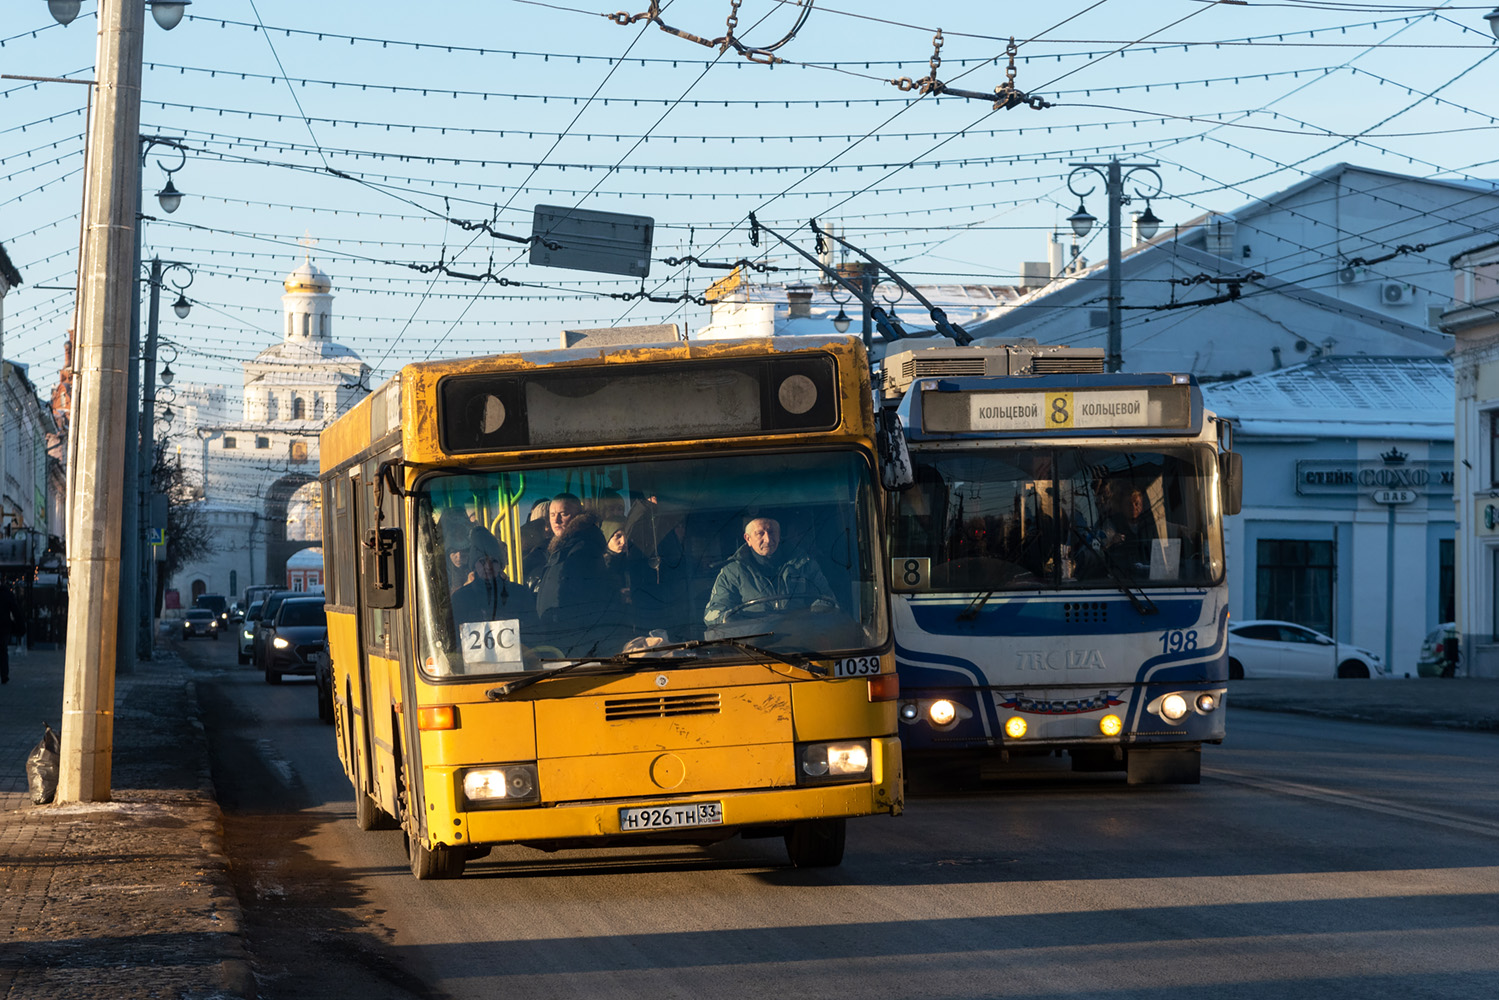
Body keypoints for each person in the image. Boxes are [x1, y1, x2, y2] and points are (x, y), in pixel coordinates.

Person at [704, 516, 836, 627]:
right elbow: (713, 613)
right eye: (760, 533)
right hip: (753, 647)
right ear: (748, 539)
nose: (768, 539)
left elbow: (827, 600)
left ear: (779, 535)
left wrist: (811, 619)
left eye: (772, 532)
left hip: (801, 640)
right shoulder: (732, 571)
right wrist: (732, 620)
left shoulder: (804, 564)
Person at [534, 494, 626, 652]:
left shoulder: (582, 549)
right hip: (558, 636)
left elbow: (586, 602)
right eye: (552, 515)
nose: (556, 520)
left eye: (563, 514)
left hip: (573, 642)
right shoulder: (562, 547)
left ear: (578, 516)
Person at [450, 527, 534, 629]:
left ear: (501, 565)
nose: (488, 566)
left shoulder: (520, 595)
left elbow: (533, 631)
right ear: (474, 565)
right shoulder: (460, 600)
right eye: (482, 561)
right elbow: (453, 638)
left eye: (493, 561)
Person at [0, 583, 19, 684]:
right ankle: (4, 675)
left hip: (4, 627)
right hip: (4, 627)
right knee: (3, 651)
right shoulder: (7, 594)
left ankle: (4, 674)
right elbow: (15, 610)